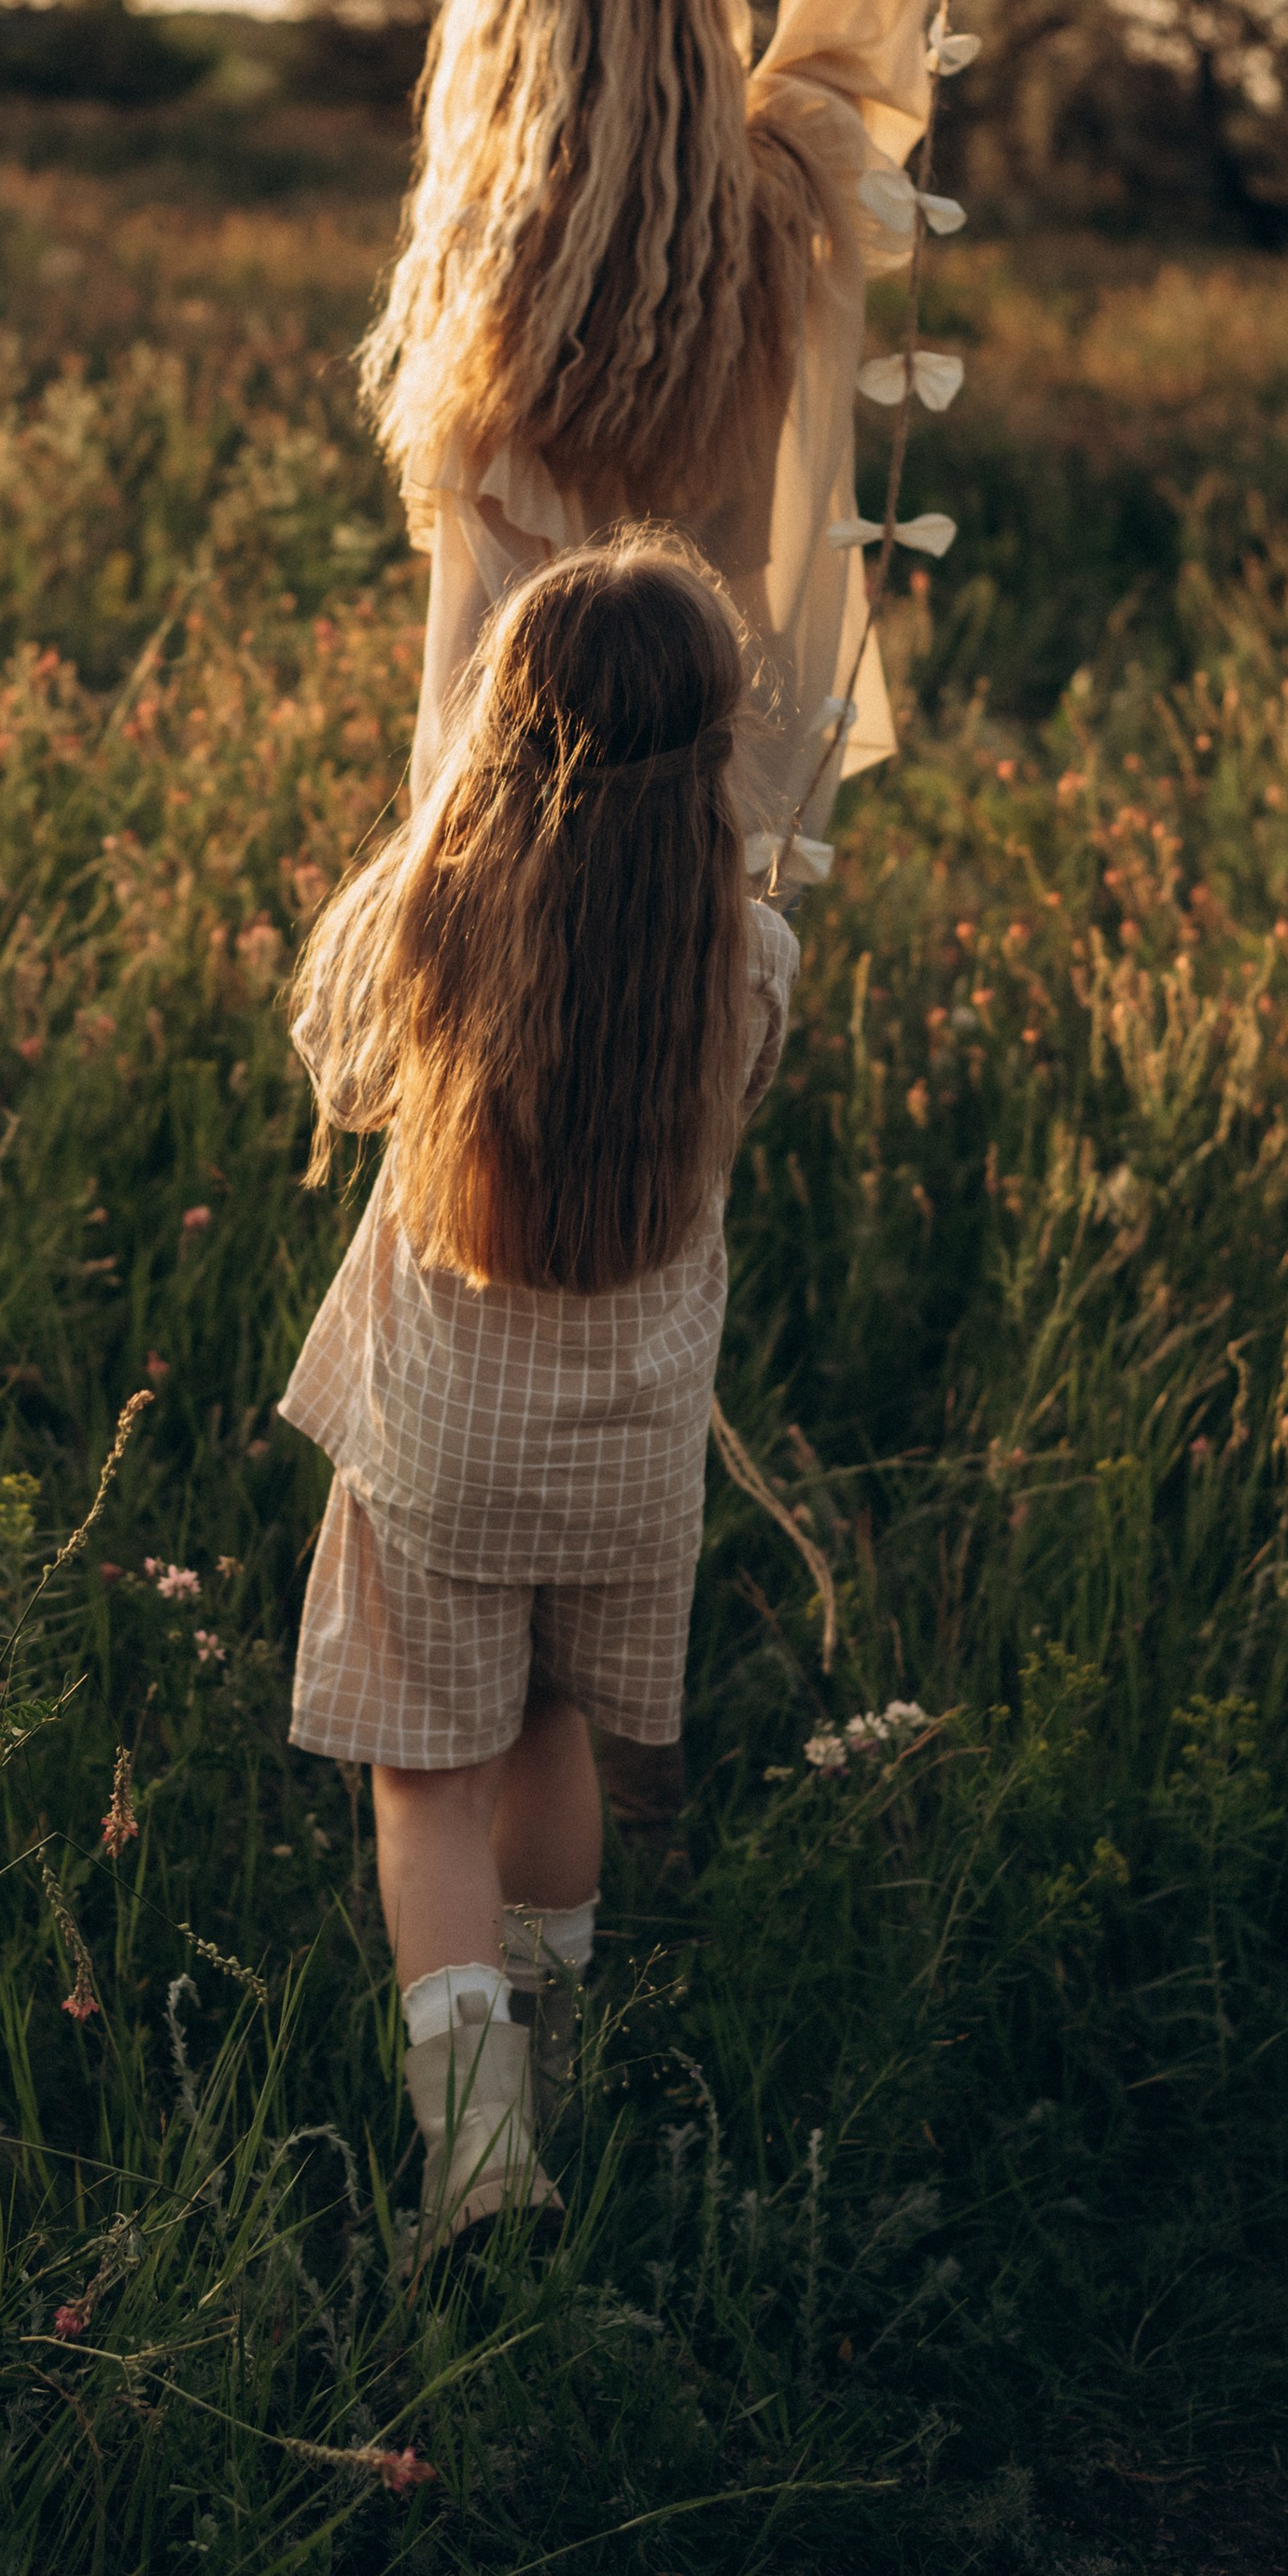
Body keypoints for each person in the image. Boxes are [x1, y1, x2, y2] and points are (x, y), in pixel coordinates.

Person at [278, 540, 799, 2262]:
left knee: (428, 1780)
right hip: (630, 1452)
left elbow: (341, 1070)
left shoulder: (431, 917)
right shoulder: (750, 954)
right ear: (716, 755)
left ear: (502, 729)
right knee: (554, 1730)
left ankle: (481, 2147)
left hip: (445, 1443)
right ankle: (560, 2051)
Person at [359, 0, 940, 892]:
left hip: (518, 800)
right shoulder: (779, 202)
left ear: (506, 15)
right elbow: (848, 31)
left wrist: (433, 869)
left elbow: (469, 629)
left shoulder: (489, 257)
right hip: (708, 782)